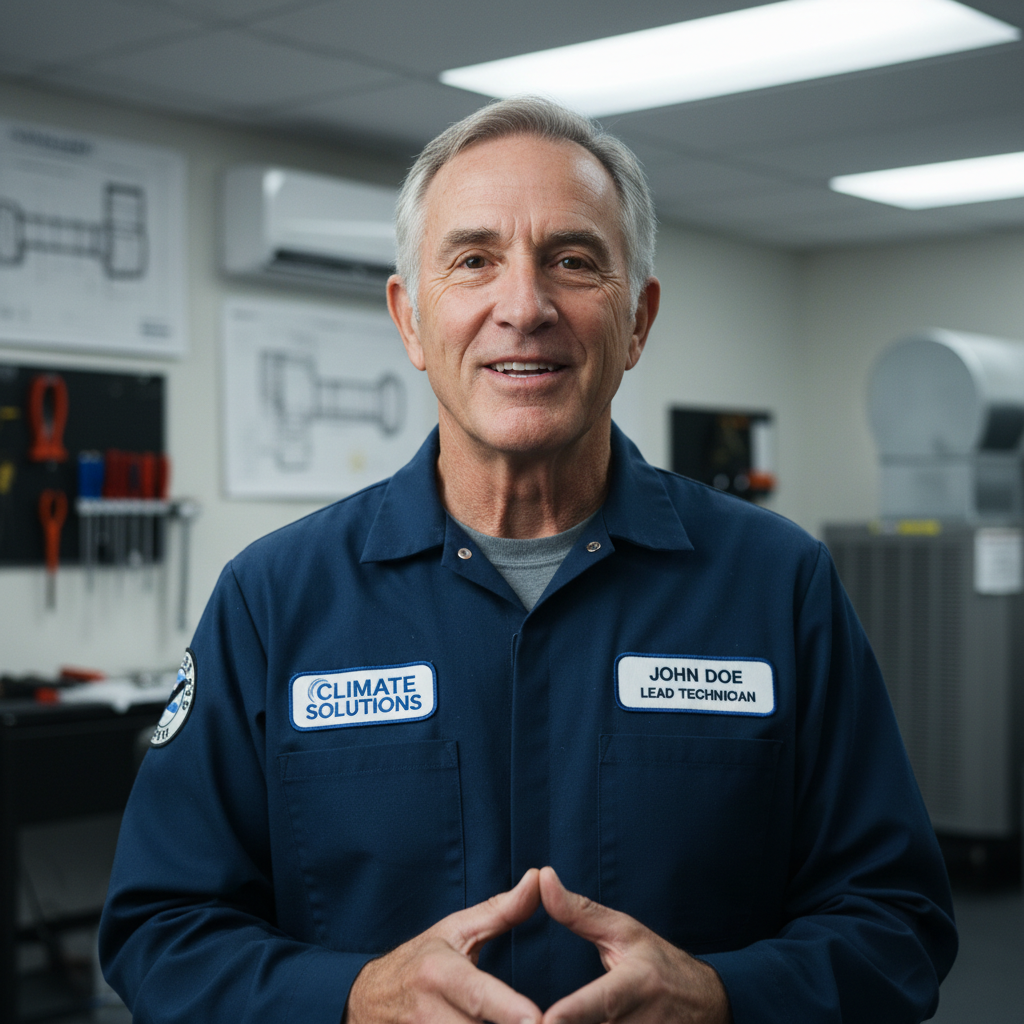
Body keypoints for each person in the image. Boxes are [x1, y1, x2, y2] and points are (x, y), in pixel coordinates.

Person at [100, 97, 957, 1024]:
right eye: (473, 261)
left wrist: (723, 997)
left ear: (637, 321)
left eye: (574, 262)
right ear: (411, 320)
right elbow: (161, 929)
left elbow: (897, 923)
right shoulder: (274, 600)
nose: (524, 307)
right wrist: (351, 998)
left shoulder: (779, 586)